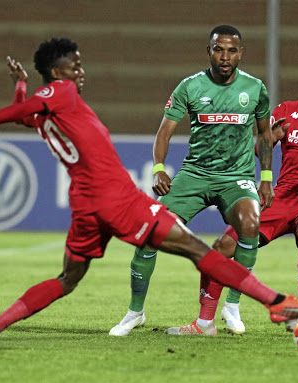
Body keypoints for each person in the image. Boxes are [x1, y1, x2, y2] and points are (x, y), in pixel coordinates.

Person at [0, 38, 298, 351]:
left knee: (67, 279)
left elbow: (26, 111)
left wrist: (19, 86)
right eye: (73, 66)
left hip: (85, 208)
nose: (80, 72)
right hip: (119, 201)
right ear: (55, 74)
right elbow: (31, 105)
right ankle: (276, 304)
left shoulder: (50, 114)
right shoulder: (61, 93)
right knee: (198, 250)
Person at [167, 57, 298, 335]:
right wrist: (270, 137)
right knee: (222, 247)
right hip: (281, 197)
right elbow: (258, 150)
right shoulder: (287, 110)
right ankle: (204, 323)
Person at [109, 25, 276, 337]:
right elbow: (164, 131)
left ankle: (233, 306)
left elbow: (265, 133)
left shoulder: (255, 88)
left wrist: (265, 177)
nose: (225, 56)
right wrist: (159, 167)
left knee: (250, 223)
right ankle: (135, 312)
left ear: (241, 52)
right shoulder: (190, 86)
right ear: (208, 50)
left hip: (236, 177)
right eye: (218, 49)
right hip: (195, 175)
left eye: (231, 50)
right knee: (150, 233)